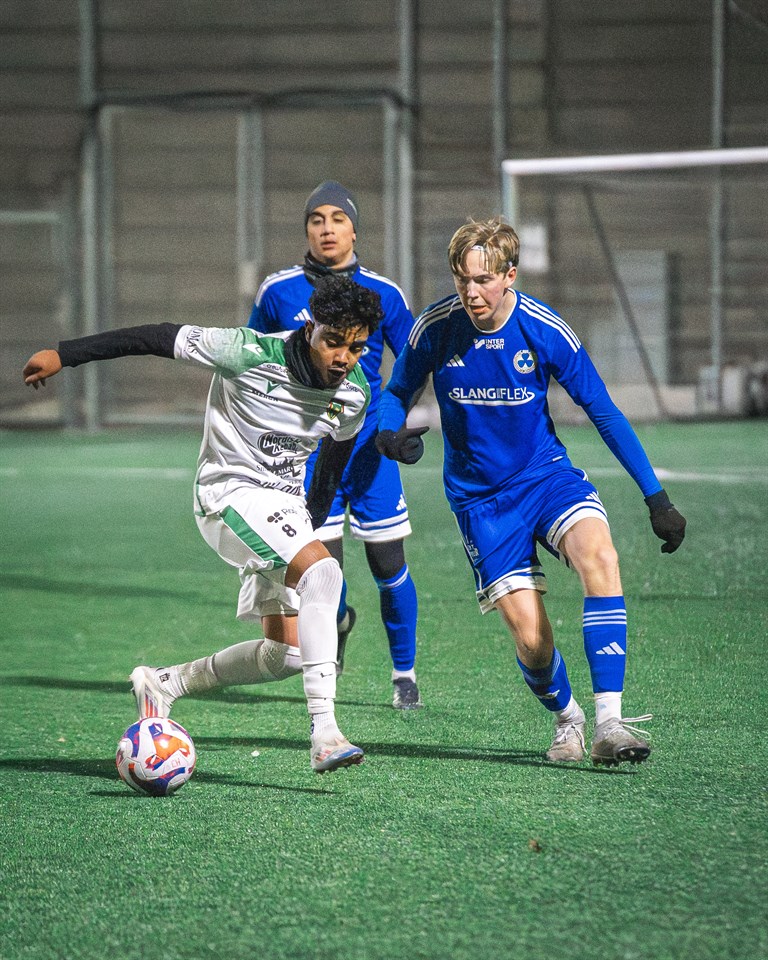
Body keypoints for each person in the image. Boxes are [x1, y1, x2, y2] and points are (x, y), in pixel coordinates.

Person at [23, 275, 384, 774]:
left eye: (356, 347)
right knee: (325, 574)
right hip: (227, 495)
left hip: (284, 511)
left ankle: (165, 683)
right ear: (310, 329)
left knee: (286, 655)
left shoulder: (354, 393)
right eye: (334, 341)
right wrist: (65, 354)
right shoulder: (246, 352)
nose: (344, 357)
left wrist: (309, 528)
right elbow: (155, 337)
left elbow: (331, 467)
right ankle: (325, 734)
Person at [376, 218, 686, 766]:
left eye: (483, 279)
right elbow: (397, 390)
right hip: (481, 503)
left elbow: (602, 410)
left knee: (600, 557)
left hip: (546, 478)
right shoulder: (436, 328)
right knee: (533, 641)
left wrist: (655, 496)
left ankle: (610, 723)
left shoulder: (543, 329)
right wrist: (387, 433)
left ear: (509, 276)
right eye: (462, 279)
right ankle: (569, 719)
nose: (471, 291)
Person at [248, 180, 422, 709]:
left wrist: (391, 424)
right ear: (306, 229)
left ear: (354, 229)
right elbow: (254, 361)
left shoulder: (384, 293)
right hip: (305, 454)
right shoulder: (277, 292)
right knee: (324, 569)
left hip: (368, 451)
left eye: (338, 219)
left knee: (389, 564)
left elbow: (412, 366)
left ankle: (404, 675)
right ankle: (340, 624)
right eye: (316, 219)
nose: (327, 229)